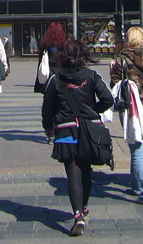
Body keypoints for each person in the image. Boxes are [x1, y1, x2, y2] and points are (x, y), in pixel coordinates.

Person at [42, 38, 113, 237]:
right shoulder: (92, 76)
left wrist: (48, 127)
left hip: (66, 132)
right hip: (89, 133)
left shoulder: (55, 79)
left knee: (72, 173)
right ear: (84, 56)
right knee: (86, 171)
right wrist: (93, 111)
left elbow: (47, 107)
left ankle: (77, 215)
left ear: (64, 56)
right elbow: (108, 98)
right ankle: (84, 206)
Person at [110, 26, 143, 205]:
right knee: (136, 145)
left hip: (131, 108)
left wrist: (112, 72)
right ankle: (136, 184)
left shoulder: (123, 59)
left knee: (138, 149)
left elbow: (114, 83)